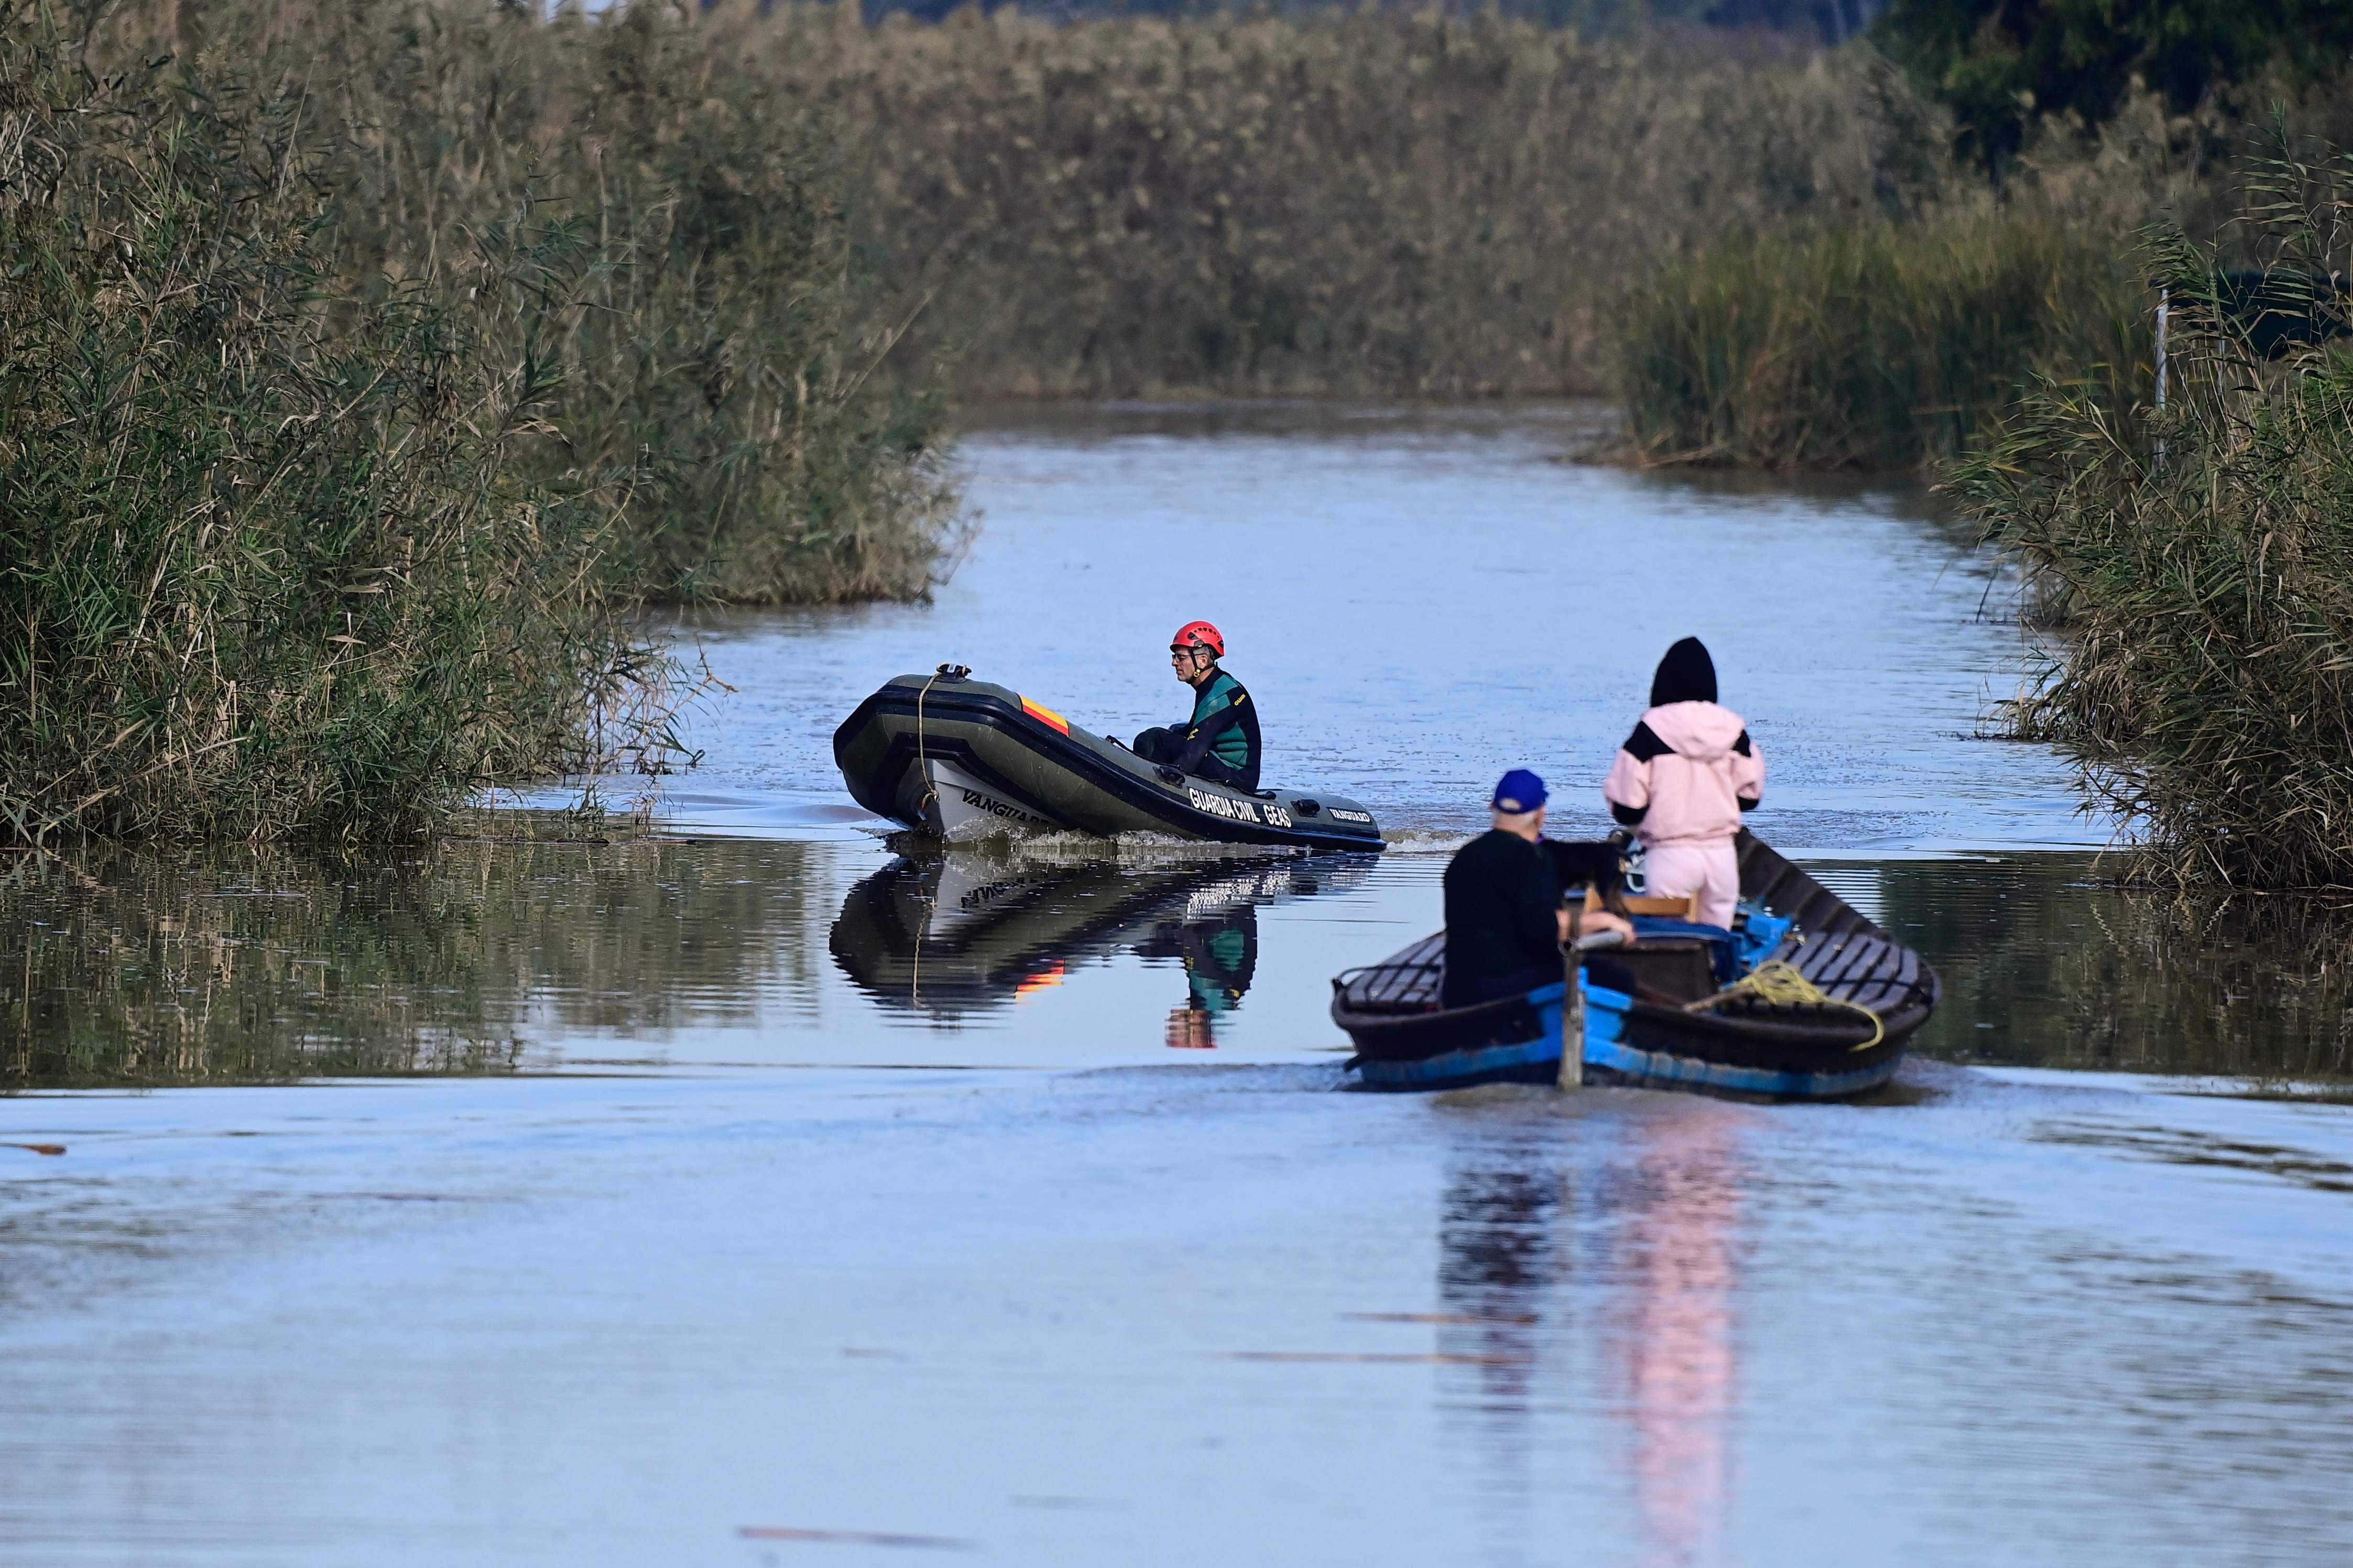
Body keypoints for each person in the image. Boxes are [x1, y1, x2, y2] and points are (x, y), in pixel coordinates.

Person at [1603, 637, 1764, 932]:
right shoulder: (1733, 730)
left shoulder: (1650, 731)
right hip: (1721, 857)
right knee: (1718, 943)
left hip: (1670, 855)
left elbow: (1628, 807)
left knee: (1670, 945)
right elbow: (1750, 797)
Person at [1441, 769, 1633, 1010]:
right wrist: (1605, 920)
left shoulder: (1463, 858)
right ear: (1541, 814)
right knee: (1617, 979)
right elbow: (1543, 930)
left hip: (1457, 991)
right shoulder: (1534, 859)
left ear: (1492, 807)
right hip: (1507, 987)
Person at [1132, 620, 1260, 791]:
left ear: (1202, 660)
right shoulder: (1215, 684)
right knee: (1174, 730)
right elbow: (1193, 731)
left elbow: (1195, 751)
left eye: (1181, 657)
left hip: (1238, 777)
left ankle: (1146, 791)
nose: (1174, 663)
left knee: (1154, 739)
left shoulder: (1219, 696)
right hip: (1227, 766)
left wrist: (1168, 780)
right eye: (1174, 657)